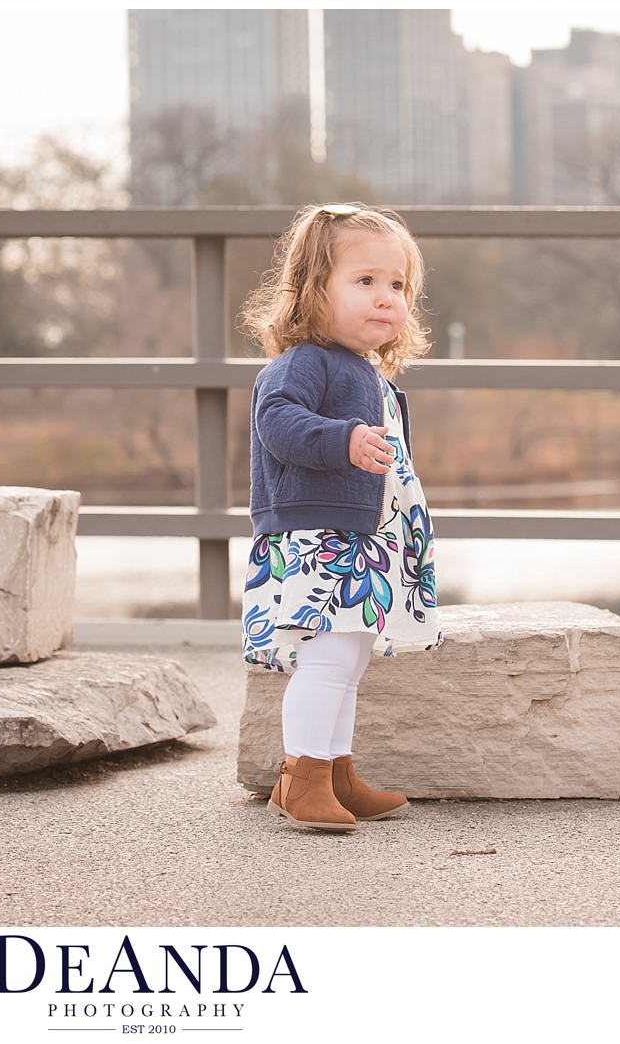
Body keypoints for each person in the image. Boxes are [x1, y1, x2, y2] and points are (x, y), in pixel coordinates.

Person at [239, 203, 440, 832]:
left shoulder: (364, 370)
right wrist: (344, 439)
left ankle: (336, 770)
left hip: (358, 538)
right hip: (316, 536)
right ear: (310, 290)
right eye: (364, 282)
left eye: (397, 285)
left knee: (349, 658)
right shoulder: (305, 362)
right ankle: (301, 779)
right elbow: (278, 422)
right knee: (326, 659)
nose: (385, 298)